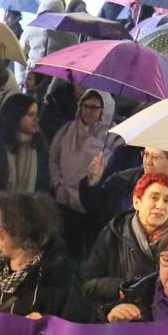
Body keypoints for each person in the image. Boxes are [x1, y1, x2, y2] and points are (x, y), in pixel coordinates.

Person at [78, 172, 168, 322]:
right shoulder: (113, 234)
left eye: (167, 200)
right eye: (154, 198)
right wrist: (119, 287)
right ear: (137, 202)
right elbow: (86, 285)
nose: (161, 206)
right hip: (118, 321)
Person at [50, 89, 115, 258]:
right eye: (85, 106)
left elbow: (112, 168)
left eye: (94, 107)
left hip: (91, 207)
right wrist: (57, 183)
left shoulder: (113, 136)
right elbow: (53, 157)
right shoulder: (68, 129)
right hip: (64, 201)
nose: (88, 111)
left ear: (104, 109)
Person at [83, 147, 168, 228]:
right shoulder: (122, 180)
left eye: (155, 157)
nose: (147, 162)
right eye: (146, 155)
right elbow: (96, 210)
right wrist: (93, 182)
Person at [0, 93, 49, 193]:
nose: (36, 119)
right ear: (15, 116)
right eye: (30, 114)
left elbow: (42, 184)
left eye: (36, 114)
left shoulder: (40, 146)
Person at [16, 0, 77, 84]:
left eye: (52, 14)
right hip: (32, 80)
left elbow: (74, 61)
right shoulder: (30, 30)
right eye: (44, 14)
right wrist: (21, 79)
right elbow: (20, 55)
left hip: (56, 82)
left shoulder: (69, 35)